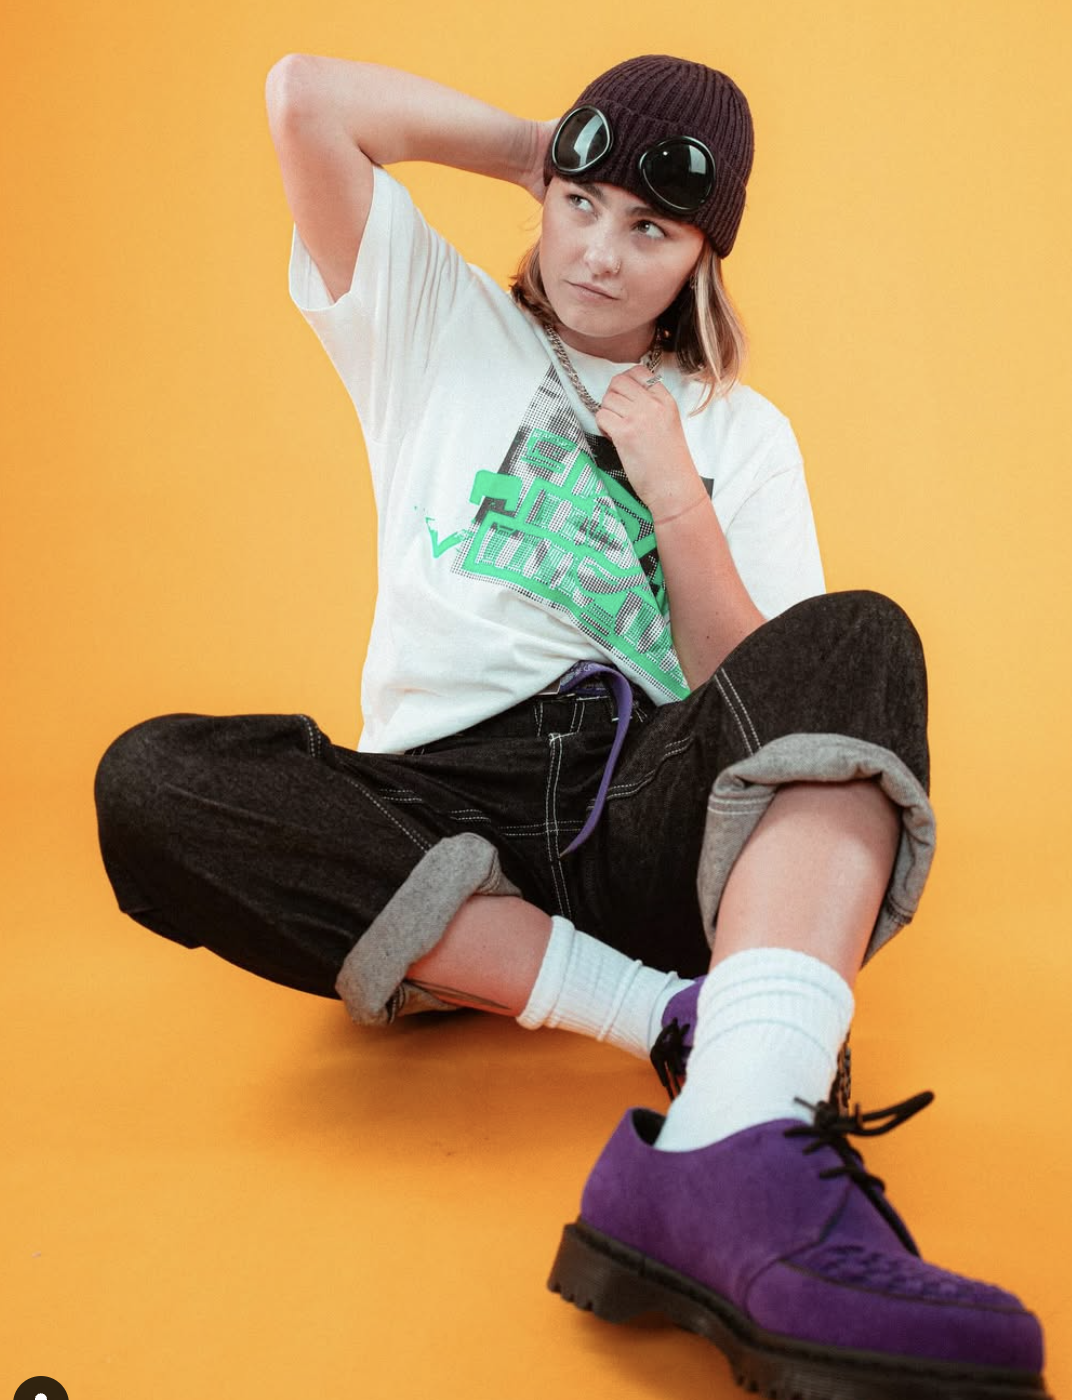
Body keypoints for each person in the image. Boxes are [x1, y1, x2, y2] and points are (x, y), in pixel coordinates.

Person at [93, 52, 1047, 1399]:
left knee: (863, 636)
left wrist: (678, 496)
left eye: (652, 228)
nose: (600, 252)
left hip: (638, 803)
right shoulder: (434, 325)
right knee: (153, 780)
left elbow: (765, 708)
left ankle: (746, 1137)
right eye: (582, 205)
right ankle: (677, 1021)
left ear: (705, 255)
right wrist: (538, 147)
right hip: (428, 819)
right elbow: (306, 98)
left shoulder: (742, 433)